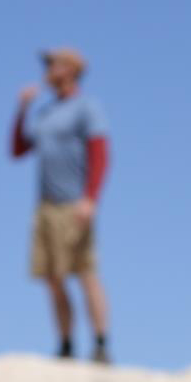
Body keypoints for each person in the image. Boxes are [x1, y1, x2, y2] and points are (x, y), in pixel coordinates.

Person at [10, 46, 112, 363]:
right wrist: (22, 110)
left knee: (84, 272)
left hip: (74, 204)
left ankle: (100, 344)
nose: (46, 68)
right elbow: (17, 150)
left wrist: (90, 199)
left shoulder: (86, 108)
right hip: (46, 206)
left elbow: (100, 153)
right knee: (52, 278)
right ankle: (66, 345)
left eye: (52, 63)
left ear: (69, 69)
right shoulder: (45, 113)